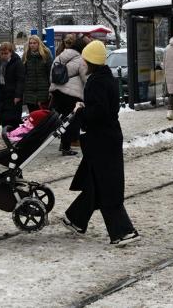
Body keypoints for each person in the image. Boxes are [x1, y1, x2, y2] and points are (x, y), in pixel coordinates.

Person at [61, 40, 139, 247]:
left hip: (99, 139)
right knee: (95, 180)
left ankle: (123, 231)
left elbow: (98, 113)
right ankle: (75, 218)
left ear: (89, 61)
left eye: (85, 59)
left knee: (105, 185)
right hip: (109, 136)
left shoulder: (95, 82)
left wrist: (81, 111)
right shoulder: (108, 78)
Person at [49, 37, 88, 156]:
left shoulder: (60, 56)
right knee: (72, 120)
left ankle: (64, 144)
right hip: (72, 94)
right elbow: (85, 78)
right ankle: (66, 146)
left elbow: (51, 74)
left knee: (64, 119)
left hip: (57, 92)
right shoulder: (81, 59)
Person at [0, 42, 25, 129]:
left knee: (12, 119)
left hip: (12, 94)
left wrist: (18, 95)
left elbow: (21, 80)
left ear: (11, 53)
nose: (4, 55)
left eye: (6, 53)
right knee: (3, 118)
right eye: (2, 53)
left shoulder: (17, 63)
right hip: (2, 94)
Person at [22, 35, 52, 112]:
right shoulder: (26, 55)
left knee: (43, 116)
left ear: (39, 44)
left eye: (34, 43)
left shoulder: (46, 55)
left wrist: (50, 88)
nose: (32, 45)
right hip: (30, 90)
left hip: (43, 90)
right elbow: (23, 73)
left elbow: (50, 72)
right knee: (32, 115)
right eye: (30, 43)